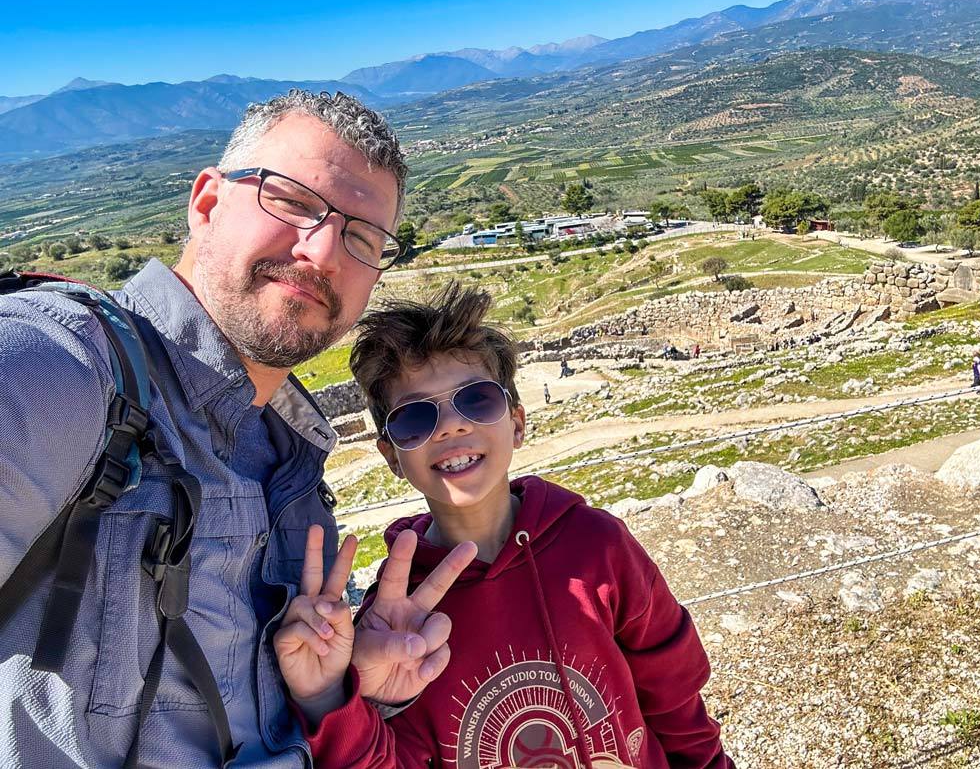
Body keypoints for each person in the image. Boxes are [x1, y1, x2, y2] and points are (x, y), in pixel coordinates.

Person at [0, 90, 453, 767]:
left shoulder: (292, 463)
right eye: (295, 202)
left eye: (361, 236)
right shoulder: (65, 369)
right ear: (207, 202)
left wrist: (343, 692)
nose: (323, 250)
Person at [277, 282, 734, 768]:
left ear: (517, 421)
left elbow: (676, 703)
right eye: (415, 418)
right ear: (391, 454)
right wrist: (333, 699)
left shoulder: (597, 547)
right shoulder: (396, 620)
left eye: (476, 401)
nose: (452, 427)